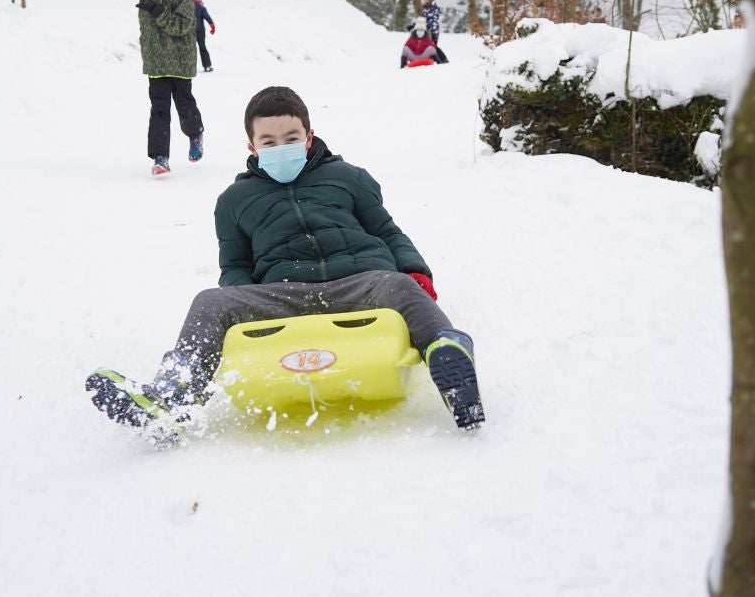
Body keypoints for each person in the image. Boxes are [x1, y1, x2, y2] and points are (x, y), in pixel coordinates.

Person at [86, 85, 484, 436]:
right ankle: (173, 395)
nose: (281, 147)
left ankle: (448, 356)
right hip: (286, 294)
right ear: (252, 147)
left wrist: (416, 271)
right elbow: (236, 266)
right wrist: (246, 304)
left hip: (361, 281)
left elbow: (388, 232)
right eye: (270, 141)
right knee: (209, 300)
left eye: (291, 138)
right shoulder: (233, 202)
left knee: (400, 284)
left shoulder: (349, 177)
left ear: (309, 137)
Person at [137, 0, 204, 175]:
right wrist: (149, 57)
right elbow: (147, 33)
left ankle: (195, 134)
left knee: (185, 106)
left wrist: (159, 11)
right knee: (159, 111)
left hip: (180, 63)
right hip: (157, 66)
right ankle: (160, 157)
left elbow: (181, 27)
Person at [193, 0, 216, 72]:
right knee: (202, 48)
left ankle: (190, 67)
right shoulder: (201, 8)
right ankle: (207, 66)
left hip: (190, 32)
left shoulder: (187, 7)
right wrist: (212, 25)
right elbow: (207, 17)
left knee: (191, 49)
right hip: (200, 32)